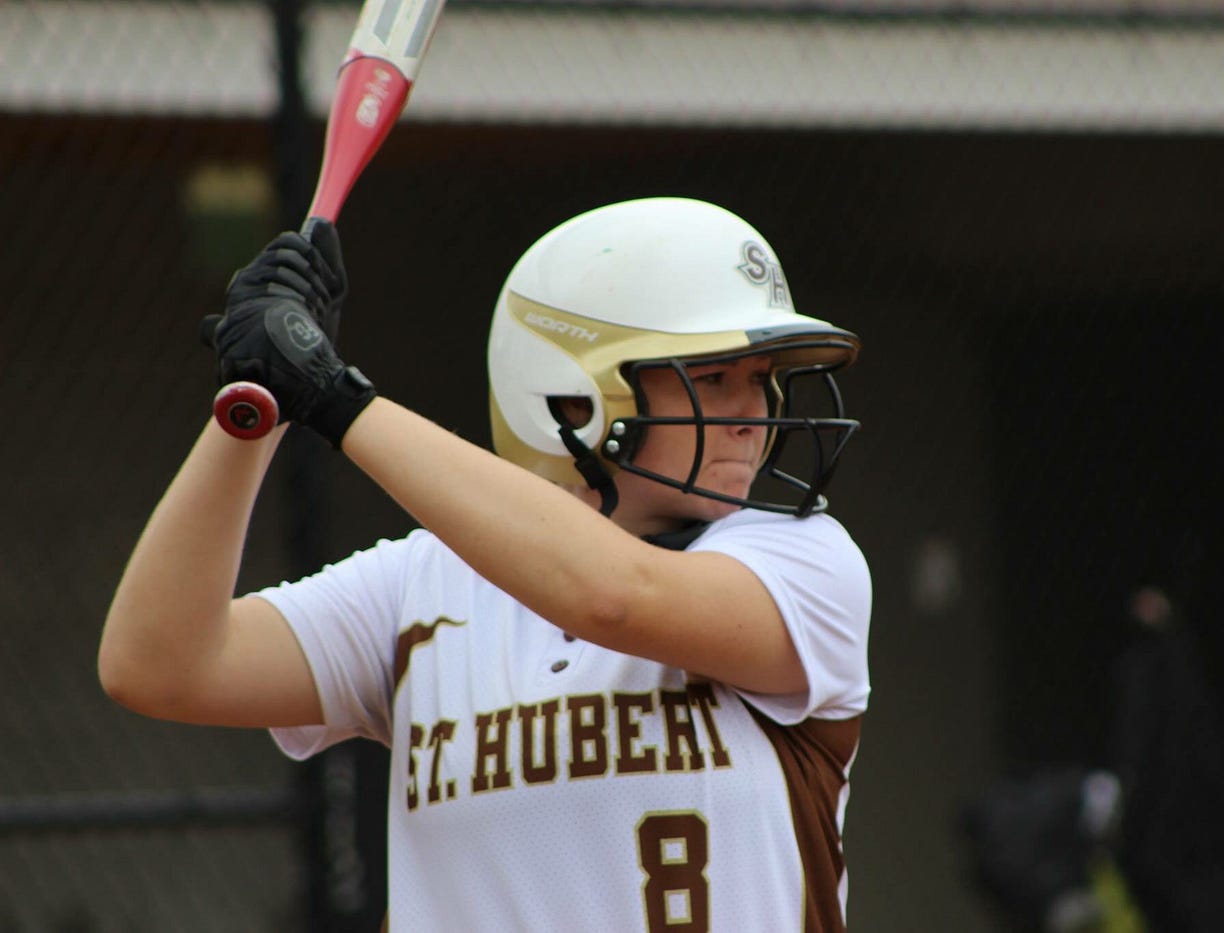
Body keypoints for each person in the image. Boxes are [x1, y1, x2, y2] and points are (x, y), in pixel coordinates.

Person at [99, 196, 872, 931]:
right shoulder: (421, 583)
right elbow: (157, 662)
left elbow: (614, 596)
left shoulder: (800, 558)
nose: (755, 412)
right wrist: (257, 402)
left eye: (761, 380)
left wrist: (336, 398)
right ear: (571, 400)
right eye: (714, 378)